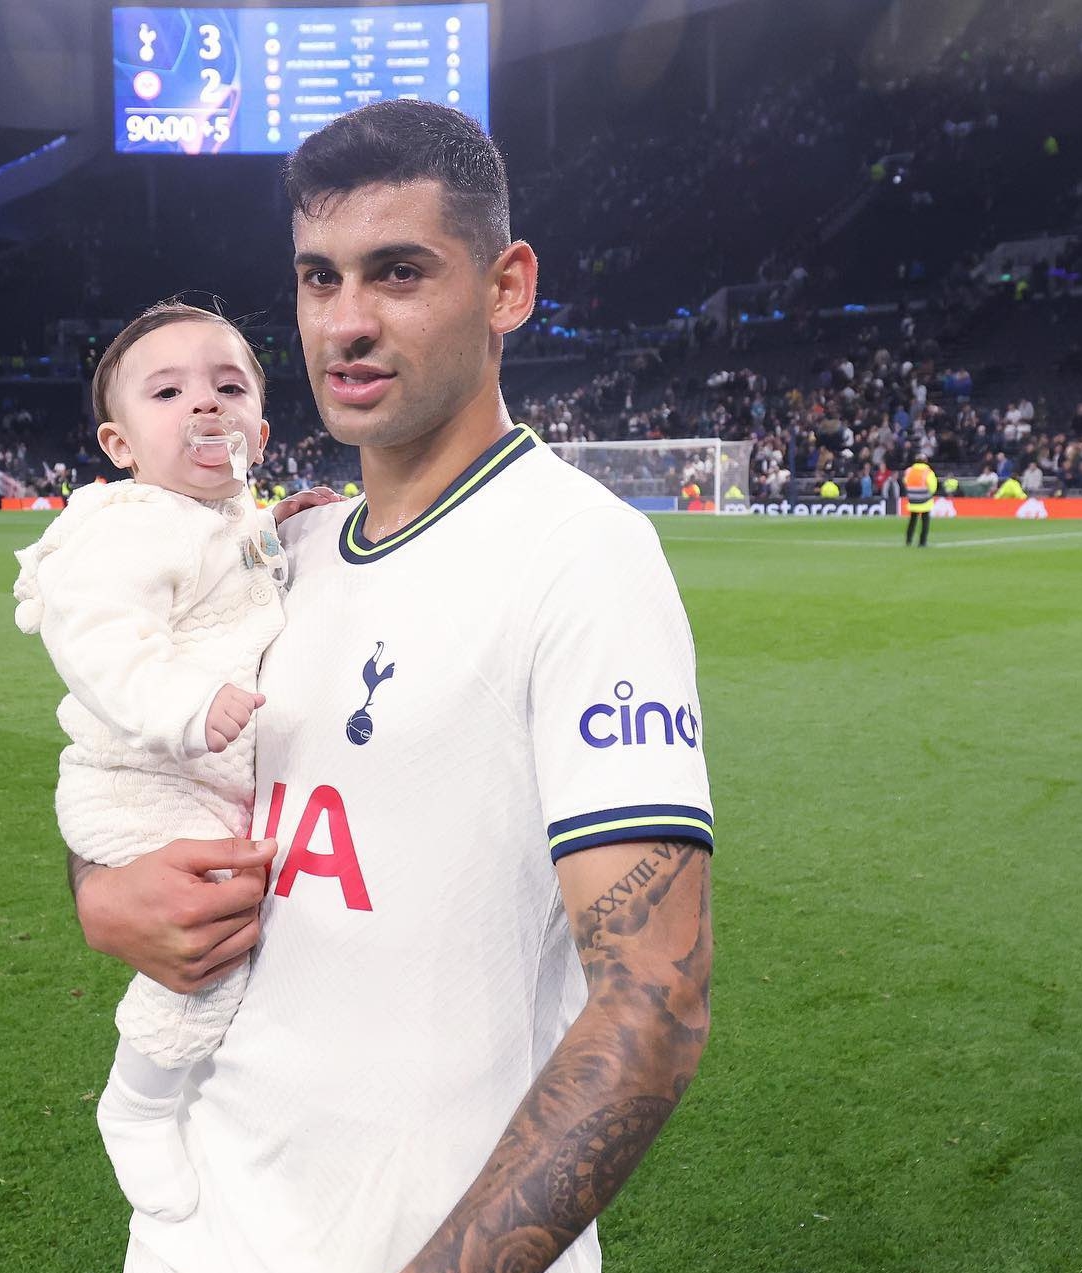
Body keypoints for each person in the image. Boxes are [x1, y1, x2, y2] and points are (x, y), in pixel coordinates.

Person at [71, 101, 713, 1273]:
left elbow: (652, 1005)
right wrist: (97, 890)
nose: (346, 323)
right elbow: (130, 768)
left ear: (505, 288)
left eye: (398, 273)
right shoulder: (285, 552)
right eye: (319, 278)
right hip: (196, 1228)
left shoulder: (579, 555)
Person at [13, 302, 336, 1223]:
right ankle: (140, 1102)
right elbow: (100, 642)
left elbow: (238, 562)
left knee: (228, 917)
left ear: (260, 435)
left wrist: (280, 523)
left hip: (196, 780)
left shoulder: (226, 517)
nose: (204, 404)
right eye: (168, 392)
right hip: (137, 783)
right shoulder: (127, 529)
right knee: (214, 934)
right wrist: (188, 707)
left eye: (229, 387)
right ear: (120, 444)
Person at [903, 454, 938, 547]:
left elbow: (905, 481)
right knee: (925, 521)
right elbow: (933, 486)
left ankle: (908, 540)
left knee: (912, 520)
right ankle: (922, 542)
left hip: (912, 499)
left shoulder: (909, 470)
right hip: (924, 499)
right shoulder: (928, 471)